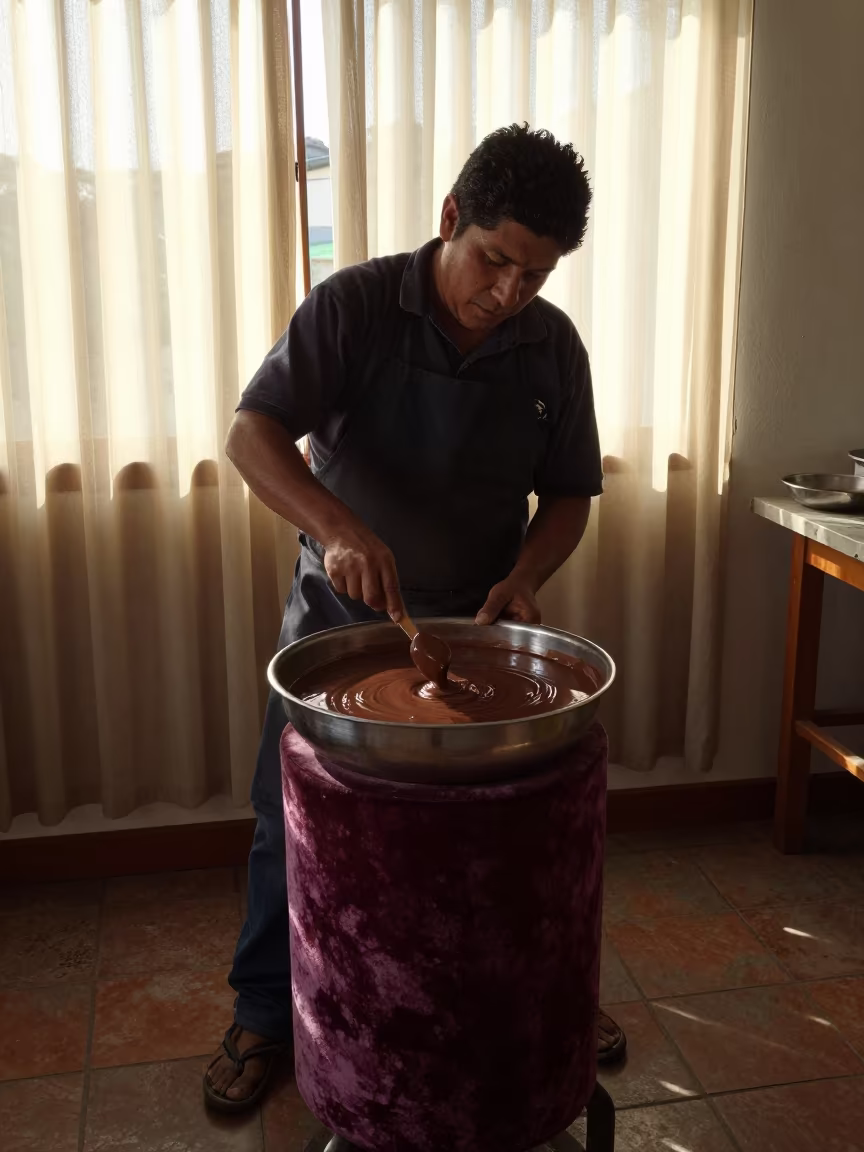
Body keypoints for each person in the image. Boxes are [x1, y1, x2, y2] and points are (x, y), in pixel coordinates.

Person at [204, 124, 626, 1112]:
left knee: (508, 835)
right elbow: (249, 431)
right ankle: (268, 1013)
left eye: (537, 274)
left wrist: (527, 574)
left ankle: (542, 996)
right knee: (296, 823)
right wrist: (334, 524)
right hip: (338, 625)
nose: (510, 292)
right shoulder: (355, 306)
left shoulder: (550, 348)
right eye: (495, 261)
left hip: (479, 632)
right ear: (450, 220)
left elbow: (568, 494)